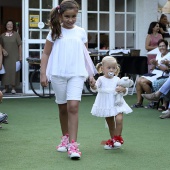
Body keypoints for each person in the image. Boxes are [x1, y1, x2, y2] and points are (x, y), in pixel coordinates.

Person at [40, 0, 96, 160]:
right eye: (67, 16)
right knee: (63, 107)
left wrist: (91, 74)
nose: (70, 19)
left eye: (74, 16)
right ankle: (64, 137)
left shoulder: (81, 32)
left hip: (77, 74)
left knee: (73, 106)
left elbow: (86, 55)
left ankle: (73, 144)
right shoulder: (54, 32)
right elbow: (46, 54)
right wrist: (43, 73)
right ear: (60, 15)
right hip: (58, 73)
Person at [90, 56, 132, 150]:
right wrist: (93, 85)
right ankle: (113, 140)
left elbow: (124, 90)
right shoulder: (101, 79)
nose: (111, 70)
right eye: (109, 68)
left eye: (113, 68)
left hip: (117, 102)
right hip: (106, 103)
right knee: (110, 123)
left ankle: (118, 138)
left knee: (119, 119)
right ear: (103, 68)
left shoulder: (117, 79)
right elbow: (95, 88)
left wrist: (123, 89)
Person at [132, 39, 170, 108]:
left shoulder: (169, 55)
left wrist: (157, 65)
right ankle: (139, 102)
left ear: (167, 46)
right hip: (155, 72)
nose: (161, 48)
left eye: (163, 46)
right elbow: (156, 64)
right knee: (138, 80)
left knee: (143, 82)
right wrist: (153, 64)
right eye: (160, 46)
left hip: (163, 74)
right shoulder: (159, 54)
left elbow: (167, 70)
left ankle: (153, 101)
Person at [0, 20, 22, 94]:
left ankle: (13, 88)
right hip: (5, 57)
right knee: (5, 72)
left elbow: (20, 46)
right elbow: (0, 46)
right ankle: (6, 88)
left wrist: (20, 56)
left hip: (14, 56)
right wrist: (3, 50)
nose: (10, 26)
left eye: (11, 24)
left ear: (13, 26)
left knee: (14, 72)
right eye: (8, 24)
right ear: (6, 26)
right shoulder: (2, 36)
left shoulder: (16, 35)